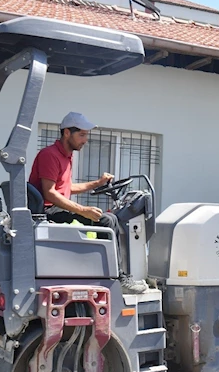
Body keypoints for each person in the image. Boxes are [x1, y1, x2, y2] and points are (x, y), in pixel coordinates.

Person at [28, 111, 148, 294]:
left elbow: (65, 188)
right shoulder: (50, 155)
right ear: (67, 133)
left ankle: (107, 272)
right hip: (48, 211)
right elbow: (50, 193)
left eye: (86, 135)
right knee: (108, 220)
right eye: (82, 135)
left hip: (54, 207)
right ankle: (117, 277)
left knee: (106, 217)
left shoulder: (67, 155)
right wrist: (83, 210)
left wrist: (97, 184)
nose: (85, 140)